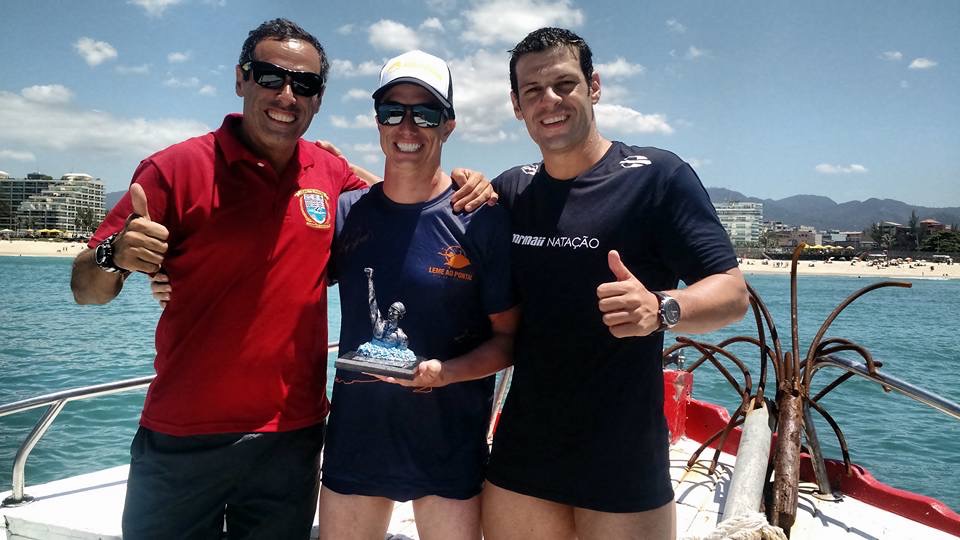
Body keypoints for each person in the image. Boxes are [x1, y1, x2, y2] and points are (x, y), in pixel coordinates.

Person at [71, 20, 491, 539]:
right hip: (183, 433)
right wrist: (114, 256)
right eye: (270, 77)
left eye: (305, 84)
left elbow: (401, 196)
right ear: (241, 79)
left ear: (318, 99)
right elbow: (85, 291)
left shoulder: (329, 173)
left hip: (291, 439)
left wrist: (465, 185)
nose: (287, 95)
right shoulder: (172, 169)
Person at [481, 28, 750, 540]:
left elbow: (732, 294)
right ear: (516, 106)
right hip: (525, 448)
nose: (549, 100)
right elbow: (433, 223)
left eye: (564, 84)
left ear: (594, 86)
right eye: (532, 90)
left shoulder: (657, 177)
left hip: (624, 450)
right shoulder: (512, 189)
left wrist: (661, 307)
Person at [317, 50, 518, 540]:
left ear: (448, 126)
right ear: (378, 121)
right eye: (393, 112)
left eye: (425, 113)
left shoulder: (481, 219)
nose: (407, 127)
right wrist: (168, 272)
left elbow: (509, 340)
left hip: (449, 443)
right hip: (357, 440)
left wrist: (446, 373)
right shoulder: (346, 214)